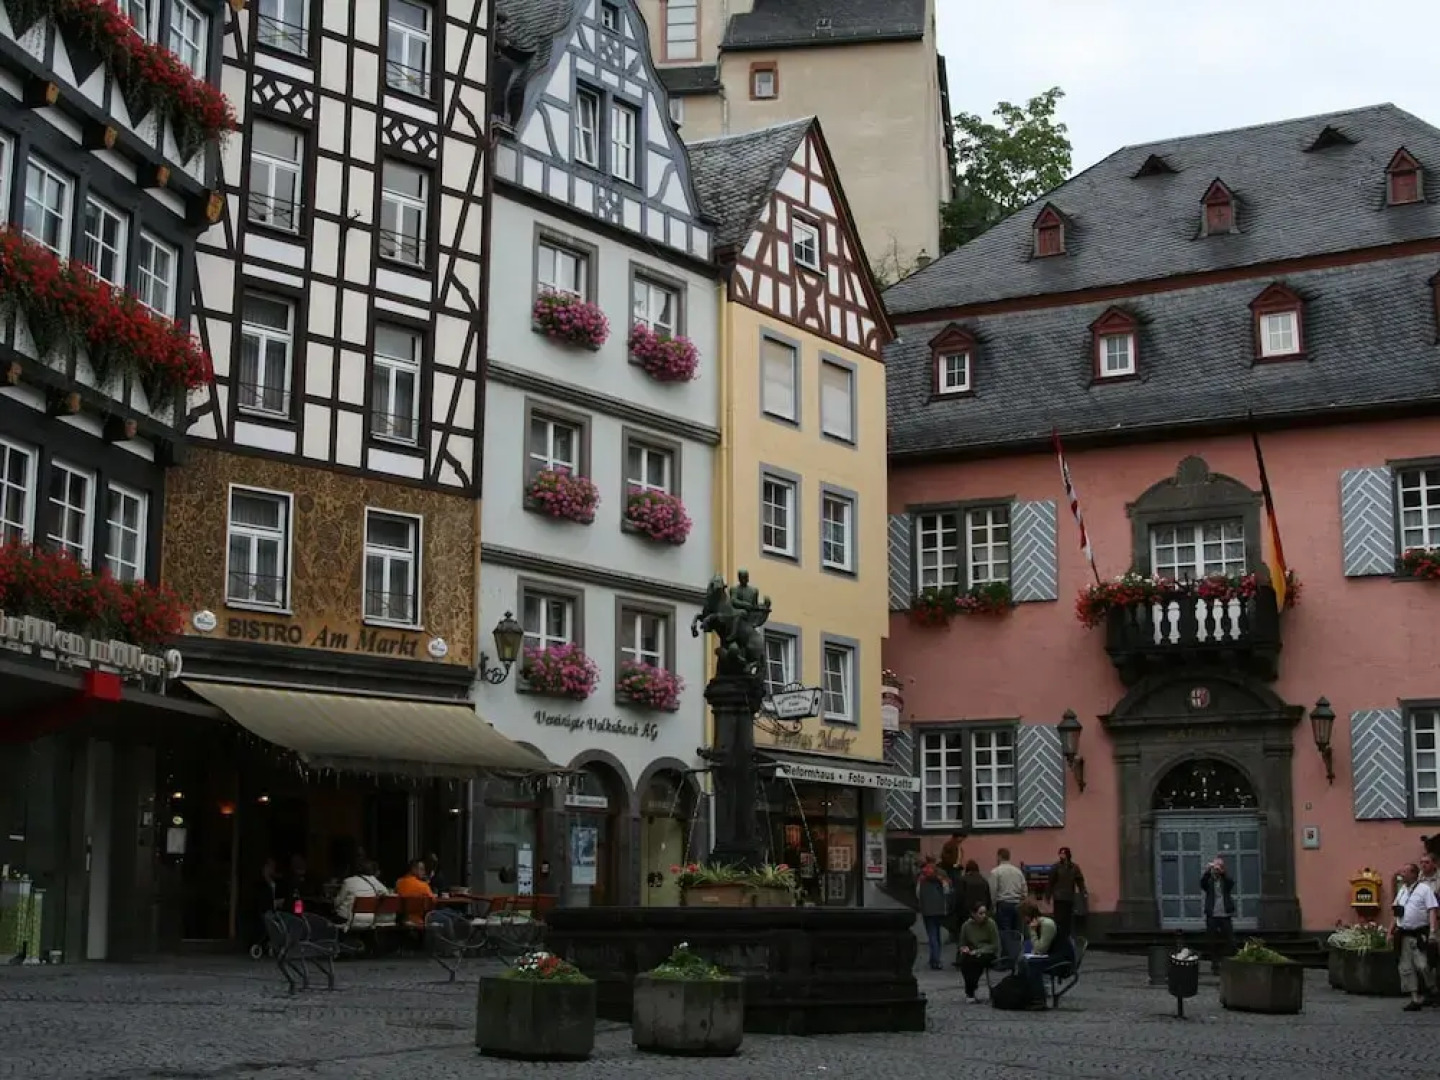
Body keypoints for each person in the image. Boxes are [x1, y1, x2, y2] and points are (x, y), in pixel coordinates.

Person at [1392, 861, 1439, 1012]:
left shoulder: (1424, 889)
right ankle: (1415, 998)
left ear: (1413, 874)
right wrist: (1390, 931)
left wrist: (1432, 931)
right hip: (1403, 934)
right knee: (1406, 968)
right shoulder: (1402, 891)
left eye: (1405, 872)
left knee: (1423, 965)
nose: (1402, 874)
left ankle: (1433, 990)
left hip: (1419, 933)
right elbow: (1396, 913)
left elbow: (1432, 910)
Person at [1019, 900, 1071, 1010]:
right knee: (1023, 962)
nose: (1023, 920)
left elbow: (1041, 948)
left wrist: (1032, 931)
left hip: (1062, 958)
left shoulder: (1046, 924)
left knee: (1034, 965)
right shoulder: (1036, 924)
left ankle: (1039, 1000)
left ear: (1028, 916)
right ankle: (1026, 995)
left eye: (1023, 917)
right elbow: (1038, 949)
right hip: (1051, 955)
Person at [957, 902, 1000, 1003]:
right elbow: (962, 943)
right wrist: (964, 948)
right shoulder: (966, 926)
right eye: (980, 913)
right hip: (972, 953)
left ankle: (970, 991)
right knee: (966, 962)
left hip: (987, 953)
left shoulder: (990, 924)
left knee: (976, 963)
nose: (983, 916)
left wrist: (979, 951)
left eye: (984, 913)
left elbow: (995, 945)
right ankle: (970, 991)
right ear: (973, 914)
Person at [1199, 856, 1236, 974]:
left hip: (1225, 914)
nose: (1217, 869)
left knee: (1230, 940)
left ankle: (1226, 961)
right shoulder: (1209, 881)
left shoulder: (1225, 881)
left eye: (1219, 866)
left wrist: (1223, 872)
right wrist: (1207, 871)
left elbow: (1231, 883)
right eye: (1215, 867)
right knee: (1211, 940)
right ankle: (1215, 964)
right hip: (1212, 914)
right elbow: (1202, 884)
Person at [990, 848, 1028, 962]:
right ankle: (1016, 954)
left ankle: (1007, 956)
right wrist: (1022, 901)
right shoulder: (1017, 871)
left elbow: (993, 890)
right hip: (1017, 903)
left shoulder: (996, 872)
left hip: (1003, 903)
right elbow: (1024, 889)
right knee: (1017, 930)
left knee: (1005, 931)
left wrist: (992, 905)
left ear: (999, 856)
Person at [333, 860, 391, 931]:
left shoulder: (348, 881)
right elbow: (387, 895)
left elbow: (338, 901)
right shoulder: (376, 882)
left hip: (347, 919)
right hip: (369, 919)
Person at [915, 855, 950, 970]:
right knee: (937, 934)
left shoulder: (922, 874)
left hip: (927, 908)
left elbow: (918, 892)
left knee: (931, 934)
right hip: (939, 907)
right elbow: (946, 890)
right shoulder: (942, 874)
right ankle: (936, 959)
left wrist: (921, 903)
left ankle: (934, 960)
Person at [1048, 846, 1087, 943]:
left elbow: (1080, 881)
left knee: (1068, 919)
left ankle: (1067, 938)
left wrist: (1083, 891)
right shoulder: (1056, 867)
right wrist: (1048, 895)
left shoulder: (1074, 867)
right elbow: (1051, 882)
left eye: (1063, 853)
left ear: (1068, 854)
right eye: (1060, 853)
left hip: (1069, 896)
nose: (1061, 855)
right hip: (1058, 897)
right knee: (1059, 919)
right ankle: (1059, 938)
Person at [939, 834, 963, 939]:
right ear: (957, 837)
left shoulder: (957, 846)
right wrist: (953, 865)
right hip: (952, 871)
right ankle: (953, 932)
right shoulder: (950, 845)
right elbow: (945, 857)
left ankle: (953, 933)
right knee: (952, 903)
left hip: (954, 870)